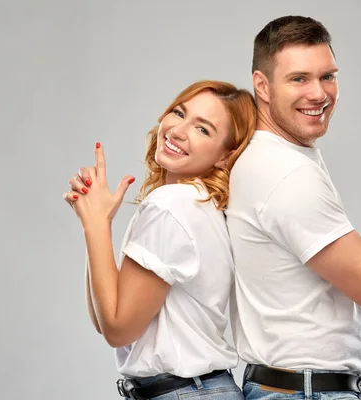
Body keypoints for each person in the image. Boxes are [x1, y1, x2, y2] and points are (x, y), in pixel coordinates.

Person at [225, 16, 361, 400]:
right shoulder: (286, 174)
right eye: (299, 79)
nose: (319, 93)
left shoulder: (281, 157)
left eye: (328, 76)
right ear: (262, 86)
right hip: (302, 391)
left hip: (294, 387)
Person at [63, 80, 257, 400]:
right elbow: (105, 318)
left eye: (203, 129)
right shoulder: (202, 205)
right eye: (179, 113)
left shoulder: (171, 205)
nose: (178, 130)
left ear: (226, 156)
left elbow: (118, 328)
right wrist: (96, 224)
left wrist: (96, 225)